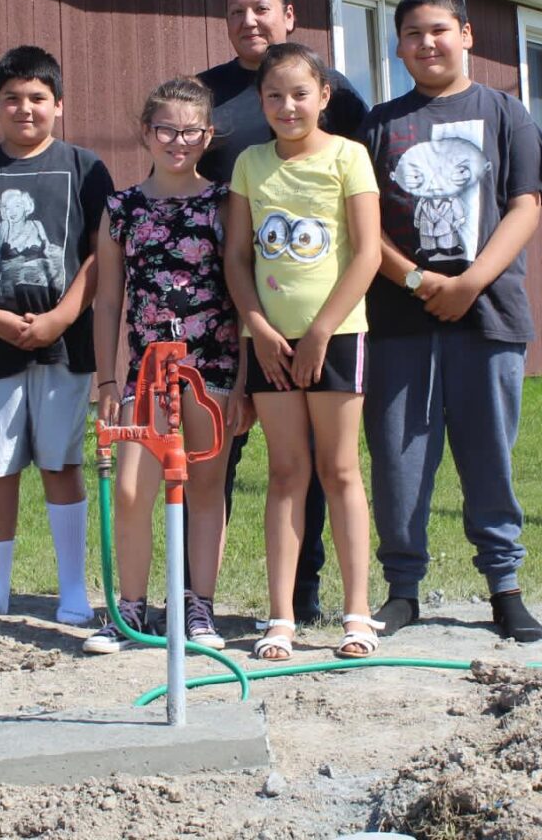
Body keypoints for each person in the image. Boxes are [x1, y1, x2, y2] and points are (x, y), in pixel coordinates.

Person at [360, 0, 542, 642]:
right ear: (398, 47)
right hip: (398, 323)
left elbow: (524, 205)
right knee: (397, 461)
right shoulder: (379, 124)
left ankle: (504, 587)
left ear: (466, 34)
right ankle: (402, 590)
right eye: (413, 33)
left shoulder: (507, 114)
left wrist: (470, 281)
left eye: (438, 30)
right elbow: (363, 227)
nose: (426, 43)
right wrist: (419, 279)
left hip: (489, 318)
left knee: (488, 459)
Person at [198, 0, 369, 624]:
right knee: (222, 451)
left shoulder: (339, 99)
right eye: (237, 10)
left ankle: (305, 595)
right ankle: (199, 601)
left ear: (288, 15)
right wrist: (250, 315)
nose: (249, 20)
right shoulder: (207, 94)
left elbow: (358, 210)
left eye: (261, 8)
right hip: (235, 312)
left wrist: (329, 319)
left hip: (323, 308)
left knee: (322, 465)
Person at [0, 45, 113, 623]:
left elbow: (101, 255)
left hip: (67, 344)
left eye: (37, 98)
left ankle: (74, 591)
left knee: (60, 462)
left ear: (58, 104)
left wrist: (61, 316)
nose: (25, 108)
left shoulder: (84, 168)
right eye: (12, 98)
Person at [82, 76, 251, 654]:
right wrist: (107, 379)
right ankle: (129, 611)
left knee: (206, 487)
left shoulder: (227, 203)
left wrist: (246, 380)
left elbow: (244, 290)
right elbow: (107, 300)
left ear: (208, 135)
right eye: (165, 130)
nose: (178, 141)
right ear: (145, 133)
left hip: (215, 369)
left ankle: (197, 609)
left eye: (190, 131)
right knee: (131, 490)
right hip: (145, 373)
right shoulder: (121, 209)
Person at [225, 42, 382, 661]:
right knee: (286, 473)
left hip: (338, 336)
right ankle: (282, 618)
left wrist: (319, 332)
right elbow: (237, 257)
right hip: (268, 342)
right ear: (260, 102)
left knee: (340, 470)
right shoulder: (249, 164)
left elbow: (368, 252)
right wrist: (259, 326)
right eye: (273, 96)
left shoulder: (350, 157)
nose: (287, 106)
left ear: (324, 97)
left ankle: (358, 614)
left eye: (299, 94)